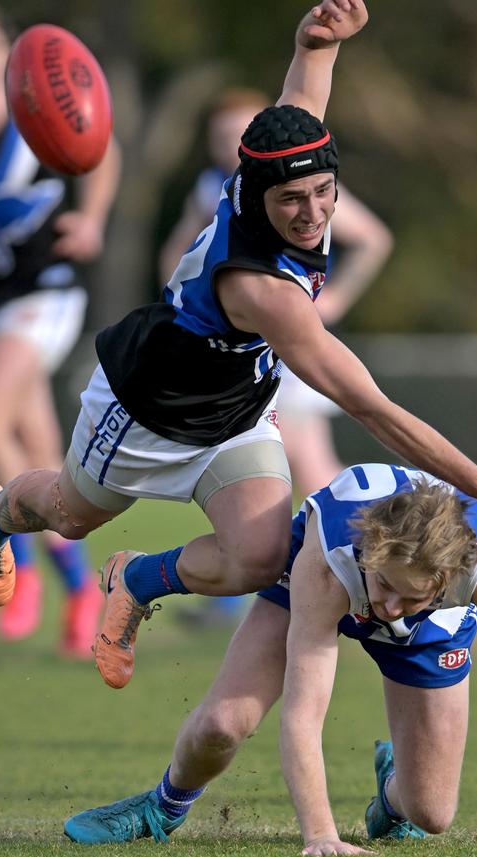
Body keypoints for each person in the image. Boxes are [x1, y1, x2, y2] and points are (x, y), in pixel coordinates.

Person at [0, 0, 477, 692]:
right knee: (69, 517)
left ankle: (133, 578)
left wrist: (318, 44)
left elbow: (301, 99)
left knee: (259, 557)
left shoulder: (286, 172)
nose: (312, 214)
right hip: (147, 409)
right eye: (293, 202)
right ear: (258, 195)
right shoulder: (262, 290)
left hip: (237, 409)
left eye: (324, 192)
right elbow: (368, 404)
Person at [62, 462, 477, 857]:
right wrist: (322, 834)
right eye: (386, 586)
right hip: (322, 578)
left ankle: (391, 790)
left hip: (431, 625)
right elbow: (305, 712)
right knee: (222, 724)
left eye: (408, 598)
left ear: (443, 582)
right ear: (372, 552)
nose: (388, 609)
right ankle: (161, 809)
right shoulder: (331, 562)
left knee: (431, 814)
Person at [159, 86, 393, 627]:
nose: (229, 146)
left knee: (315, 473)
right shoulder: (217, 190)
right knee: (251, 478)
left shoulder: (299, 189)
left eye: (239, 135)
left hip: (288, 350)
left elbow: (374, 238)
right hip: (247, 354)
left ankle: (379, 578)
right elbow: (179, 248)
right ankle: (243, 595)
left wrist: (334, 300)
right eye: (221, 137)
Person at [0, 2, 121, 656]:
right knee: (42, 457)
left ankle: (6, 549)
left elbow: (104, 147)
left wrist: (95, 218)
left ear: (8, 54)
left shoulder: (37, 105)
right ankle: (83, 588)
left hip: (43, 292)